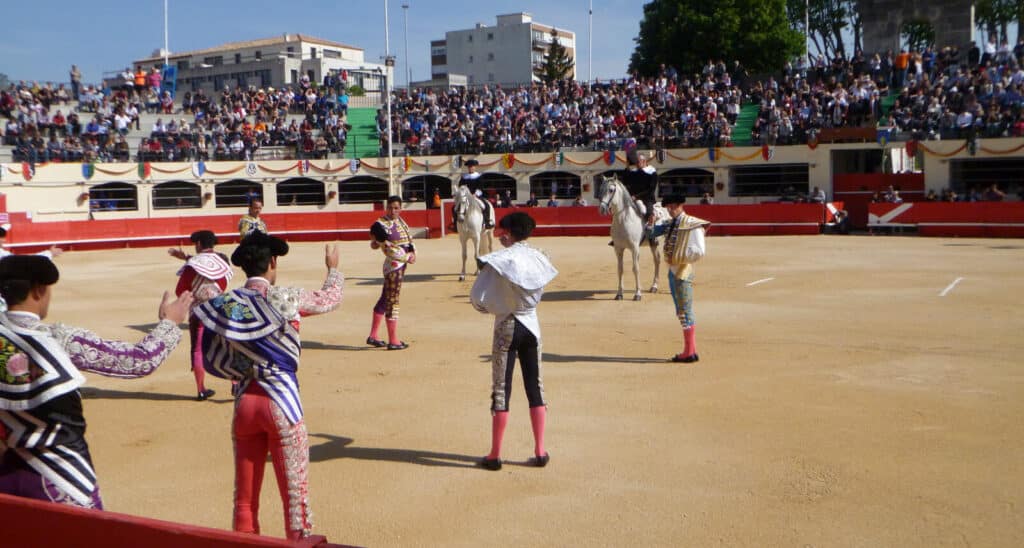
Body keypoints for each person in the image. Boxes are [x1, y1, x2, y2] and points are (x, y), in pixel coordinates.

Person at [0, 255, 191, 508]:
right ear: (39, 291)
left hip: (7, 474)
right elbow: (138, 361)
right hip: (61, 478)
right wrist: (170, 322)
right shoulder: (59, 339)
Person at [194, 233, 343, 540]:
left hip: (245, 402)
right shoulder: (286, 297)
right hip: (282, 403)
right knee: (295, 499)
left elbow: (204, 299)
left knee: (245, 501)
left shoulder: (229, 303)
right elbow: (330, 299)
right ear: (273, 262)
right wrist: (333, 270)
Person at [470, 212, 558, 471]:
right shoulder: (539, 256)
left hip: (506, 326)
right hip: (532, 326)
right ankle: (540, 451)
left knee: (501, 388)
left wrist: (494, 308)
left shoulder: (497, 261)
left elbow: (477, 298)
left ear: (508, 234)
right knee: (536, 386)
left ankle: (495, 454)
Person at [168, 230, 233, 401]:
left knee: (198, 349)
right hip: (219, 308)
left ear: (198, 244)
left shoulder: (192, 264)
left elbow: (180, 290)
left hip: (198, 311)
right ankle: (235, 384)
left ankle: (201, 389)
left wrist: (196, 295)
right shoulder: (222, 260)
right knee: (228, 345)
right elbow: (224, 282)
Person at [652, 194, 710, 363]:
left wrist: (679, 256)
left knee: (685, 310)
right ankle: (690, 350)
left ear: (681, 205)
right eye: (668, 207)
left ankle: (689, 352)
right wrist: (651, 223)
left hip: (682, 270)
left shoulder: (693, 224)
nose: (670, 210)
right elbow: (652, 232)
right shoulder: (670, 224)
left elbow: (699, 251)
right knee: (681, 310)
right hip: (672, 271)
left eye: (673, 207)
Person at [367, 196, 416, 350]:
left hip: (400, 264)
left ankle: (373, 336)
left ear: (400, 208)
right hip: (394, 265)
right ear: (386, 208)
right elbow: (387, 247)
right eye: (390, 208)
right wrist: (407, 257)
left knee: (385, 298)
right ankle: (393, 340)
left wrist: (413, 252)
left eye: (396, 208)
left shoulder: (401, 222)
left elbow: (409, 240)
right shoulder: (380, 224)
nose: (393, 210)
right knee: (392, 301)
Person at [622, 150, 658, 230]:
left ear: (644, 161)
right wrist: (627, 167)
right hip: (633, 198)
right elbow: (625, 181)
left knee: (648, 213)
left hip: (647, 199)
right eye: (635, 162)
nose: (636, 164)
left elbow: (651, 190)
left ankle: (651, 236)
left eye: (638, 162)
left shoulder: (652, 172)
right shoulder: (634, 172)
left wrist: (636, 196)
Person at [453, 159, 493, 229]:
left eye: (472, 166)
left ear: (475, 167)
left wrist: (475, 194)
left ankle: (487, 222)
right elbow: (461, 187)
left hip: (476, 196)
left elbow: (481, 187)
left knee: (486, 205)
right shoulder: (464, 177)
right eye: (469, 167)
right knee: (454, 207)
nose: (470, 168)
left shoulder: (479, 176)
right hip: (465, 197)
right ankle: (455, 224)